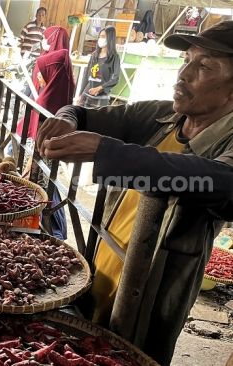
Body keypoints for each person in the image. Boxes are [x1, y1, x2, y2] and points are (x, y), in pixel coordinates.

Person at [36, 21, 233, 365]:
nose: (183, 73)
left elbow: (218, 181)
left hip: (152, 289)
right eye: (187, 59)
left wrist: (106, 151)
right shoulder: (159, 116)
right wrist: (66, 119)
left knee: (128, 356)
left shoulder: (226, 142)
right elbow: (81, 114)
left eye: (205, 66)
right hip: (100, 265)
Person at [16, 29, 75, 241]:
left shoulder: (50, 102)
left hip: (46, 153)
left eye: (42, 73)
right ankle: (51, 228)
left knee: (47, 188)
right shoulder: (57, 89)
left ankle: (55, 230)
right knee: (45, 187)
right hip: (42, 153)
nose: (39, 77)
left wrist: (32, 160)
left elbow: (41, 138)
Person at [78, 26, 120, 108]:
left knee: (94, 120)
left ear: (110, 38)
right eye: (100, 36)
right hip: (86, 93)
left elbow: (115, 78)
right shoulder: (94, 55)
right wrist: (80, 93)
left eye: (103, 36)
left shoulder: (114, 57)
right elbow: (86, 75)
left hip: (101, 97)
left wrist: (100, 88)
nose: (101, 39)